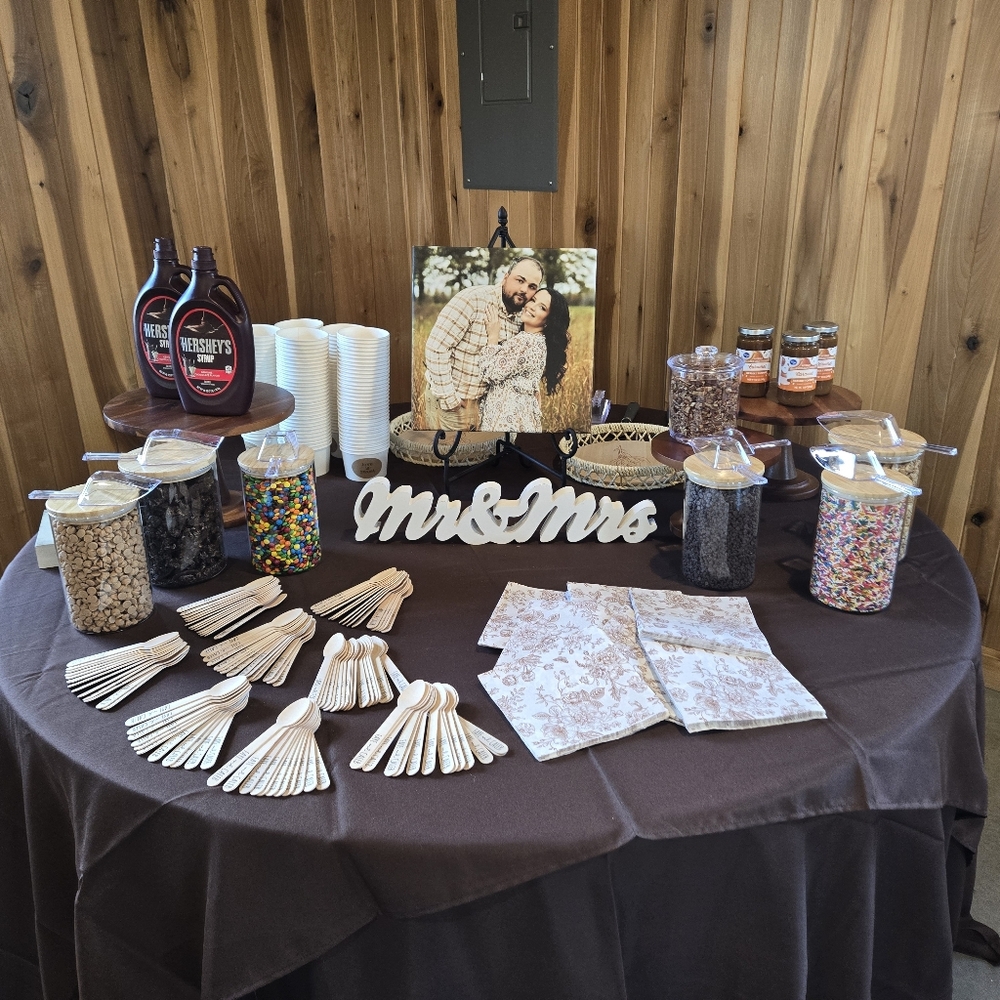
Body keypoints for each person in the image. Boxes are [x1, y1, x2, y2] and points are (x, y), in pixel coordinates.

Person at [422, 257, 544, 431]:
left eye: (532, 286)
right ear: (505, 277)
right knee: (450, 455)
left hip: (487, 410)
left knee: (478, 457)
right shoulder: (473, 300)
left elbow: (518, 360)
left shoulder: (521, 317)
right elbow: (437, 346)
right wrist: (449, 399)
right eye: (520, 280)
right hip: (454, 406)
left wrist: (533, 388)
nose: (524, 289)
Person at [478, 287, 570, 433]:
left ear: (548, 320)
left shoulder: (527, 342)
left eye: (542, 307)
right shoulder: (539, 342)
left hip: (504, 421)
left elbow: (489, 373)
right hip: (518, 419)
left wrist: (492, 336)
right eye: (533, 300)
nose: (532, 307)